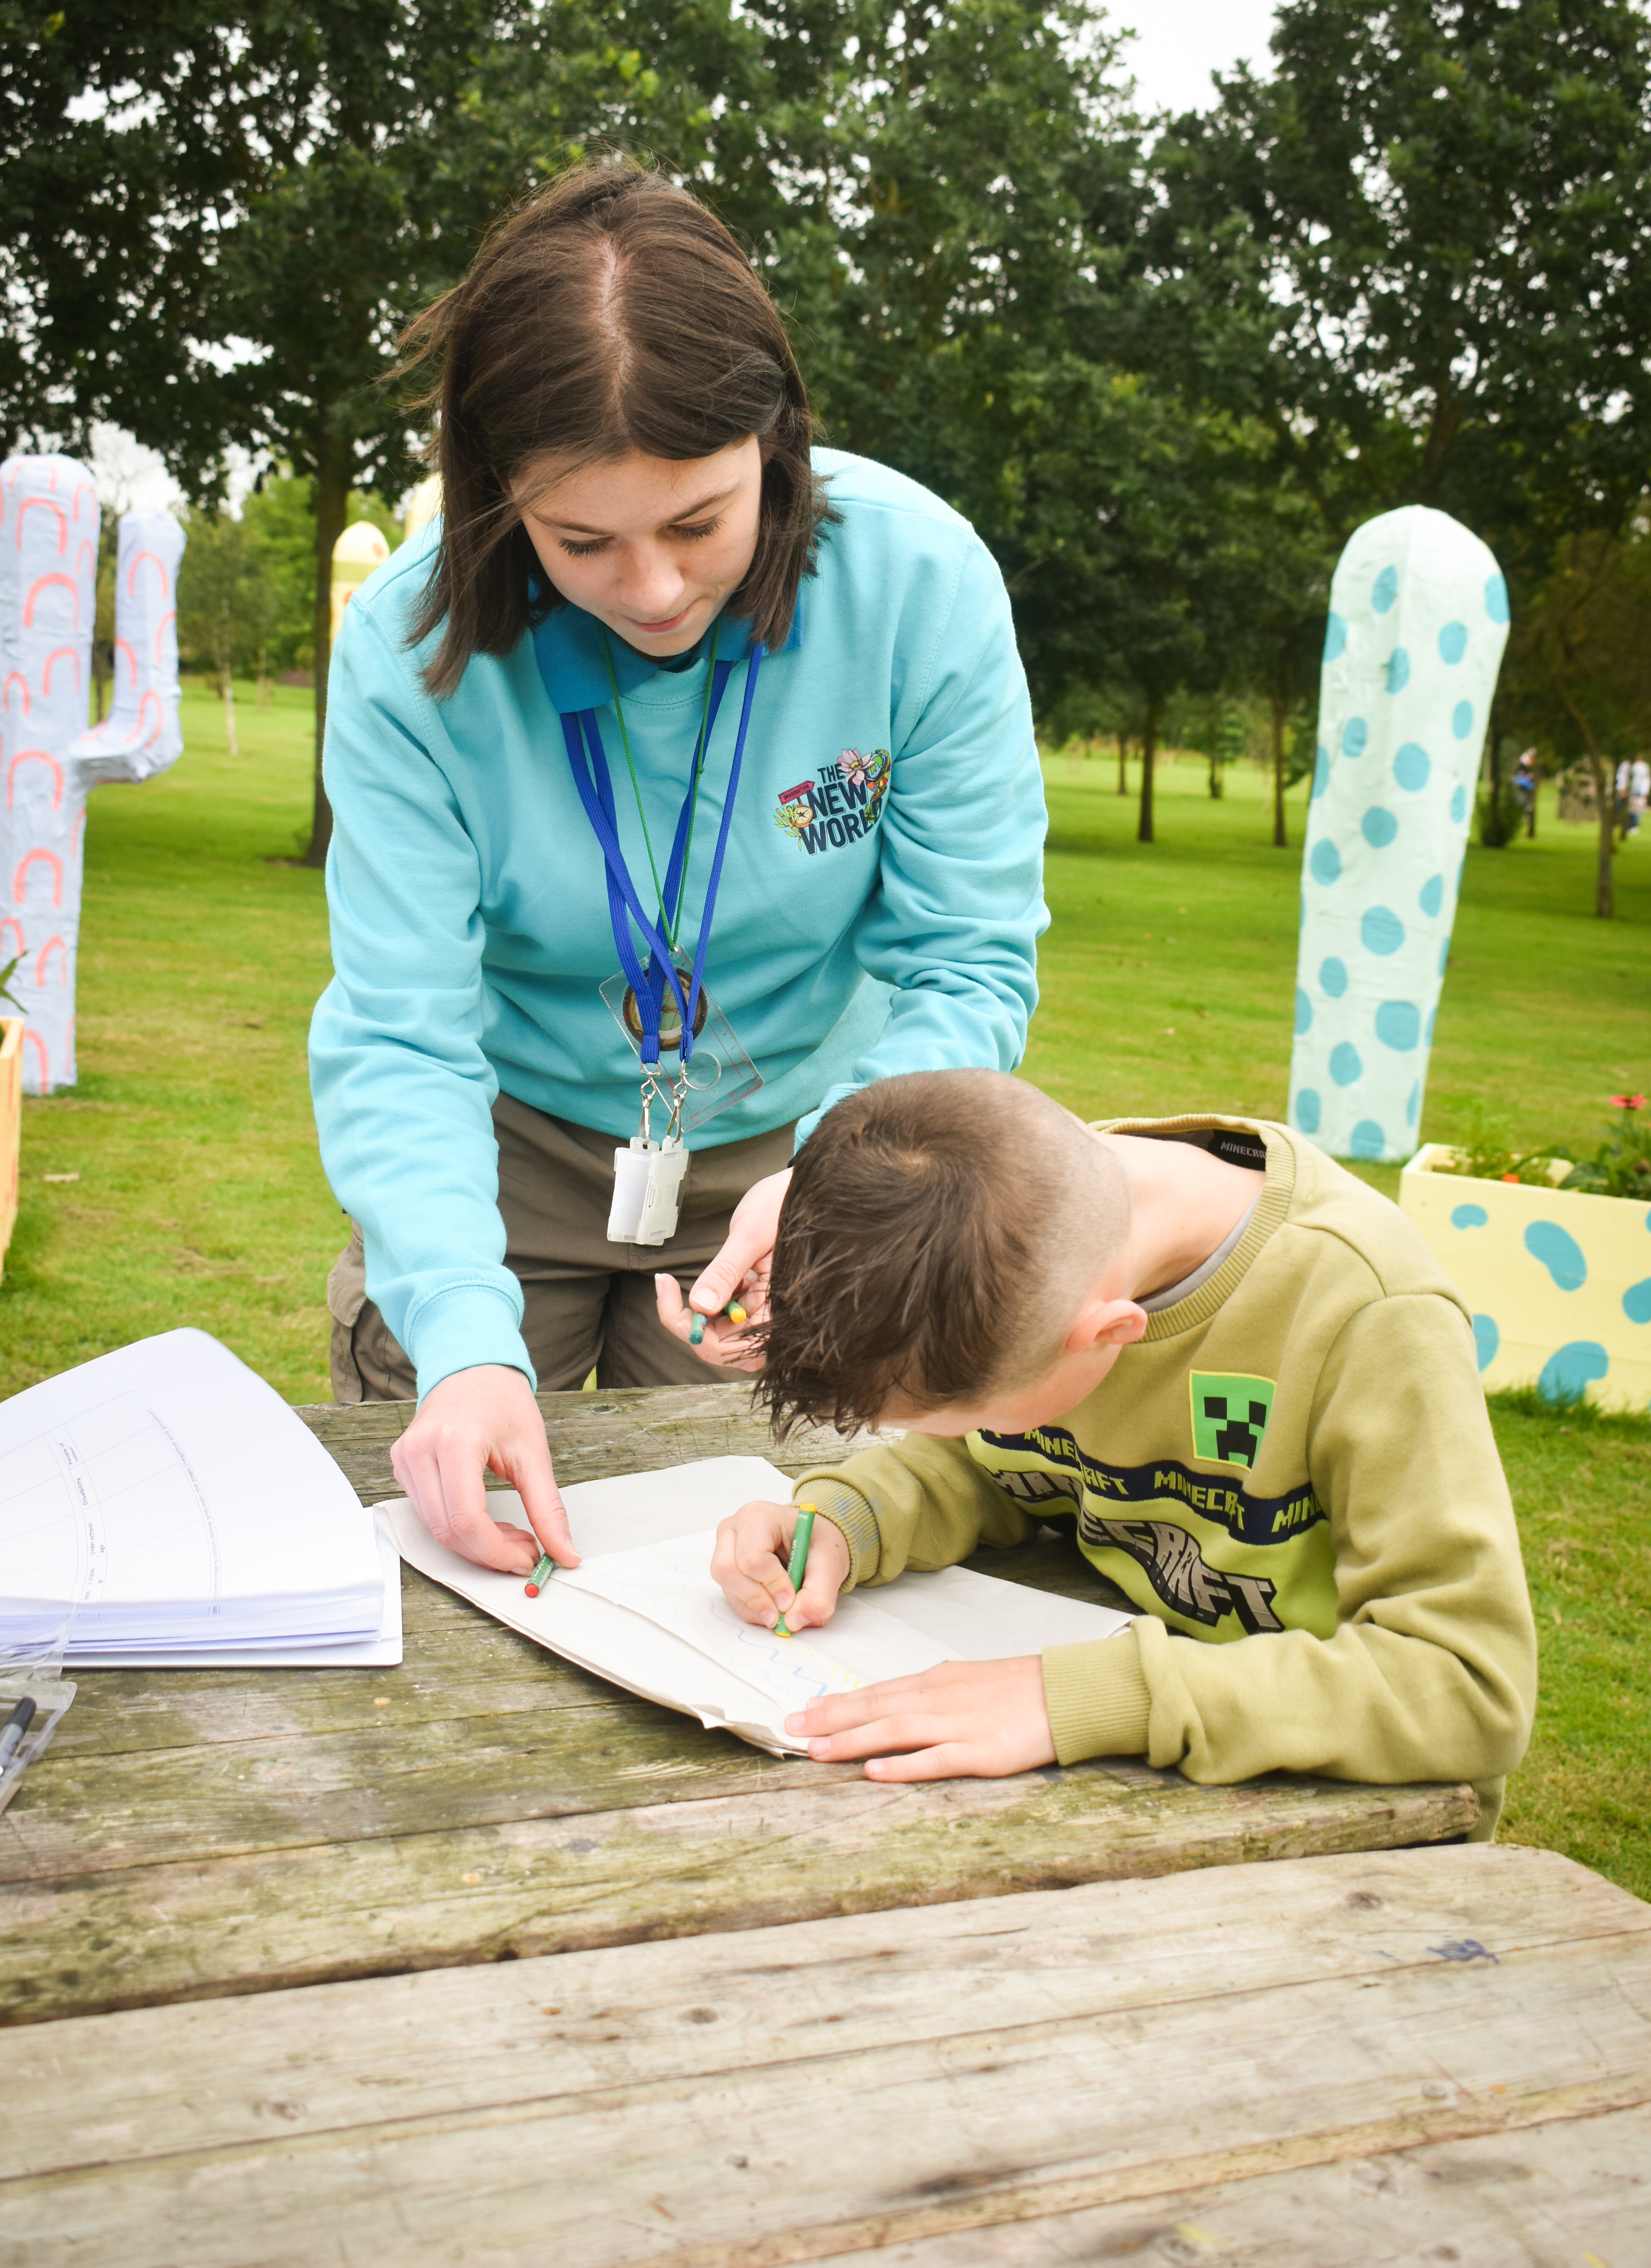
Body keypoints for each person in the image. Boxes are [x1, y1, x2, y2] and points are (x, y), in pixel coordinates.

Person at [309, 163, 1049, 1578]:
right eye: (582, 539)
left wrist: (842, 1175)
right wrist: (462, 1342)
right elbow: (400, 1031)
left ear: (781, 444)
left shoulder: (921, 584)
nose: (651, 590)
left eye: (700, 523)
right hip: (498, 1158)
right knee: (464, 1572)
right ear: (495, 493)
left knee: (750, 1580)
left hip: (790, 1158)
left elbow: (966, 961)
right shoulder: (408, 651)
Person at [698, 1071, 1537, 1839]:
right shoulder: (1030, 1227)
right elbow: (992, 1459)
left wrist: (1073, 1699)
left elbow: (1466, 1684)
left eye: (950, 1417)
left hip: (1349, 1831)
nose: (944, 1438)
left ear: (1109, 1337)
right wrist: (848, 1521)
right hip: (1141, 1782)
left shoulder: (1370, 1312)